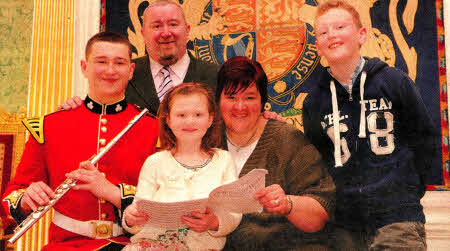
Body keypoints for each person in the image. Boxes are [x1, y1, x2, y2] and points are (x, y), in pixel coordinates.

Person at [2, 31, 159, 250]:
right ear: (84, 67)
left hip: (132, 244)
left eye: (120, 63)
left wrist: (112, 192)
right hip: (65, 245)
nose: (110, 70)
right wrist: (27, 198)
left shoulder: (153, 128)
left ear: (131, 70)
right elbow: (12, 193)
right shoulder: (49, 126)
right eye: (101, 61)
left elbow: (165, 199)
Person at [302, 1, 438, 250]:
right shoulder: (314, 102)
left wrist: (404, 191)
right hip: (344, 227)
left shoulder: (394, 81)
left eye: (340, 26)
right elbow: (317, 161)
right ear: (318, 47)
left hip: (397, 218)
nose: (331, 34)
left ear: (362, 35)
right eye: (323, 32)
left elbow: (425, 140)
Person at [215, 56, 335, 251]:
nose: (240, 107)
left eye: (249, 97)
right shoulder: (205, 140)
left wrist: (287, 204)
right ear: (218, 99)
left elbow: (322, 211)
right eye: (231, 97)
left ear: (263, 101)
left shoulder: (287, 139)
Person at [122, 82, 241, 250]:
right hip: (151, 244)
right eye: (181, 115)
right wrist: (131, 218)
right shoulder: (155, 162)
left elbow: (234, 211)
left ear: (210, 119)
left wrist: (214, 222)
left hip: (201, 246)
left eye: (198, 114)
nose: (190, 121)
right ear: (169, 120)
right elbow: (139, 209)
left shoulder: (224, 160)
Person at [60, 0, 219, 116]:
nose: (165, 32)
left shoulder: (217, 76)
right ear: (143, 34)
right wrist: (76, 107)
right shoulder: (121, 72)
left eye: (173, 24)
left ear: (187, 30)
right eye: (156, 26)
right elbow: (99, 106)